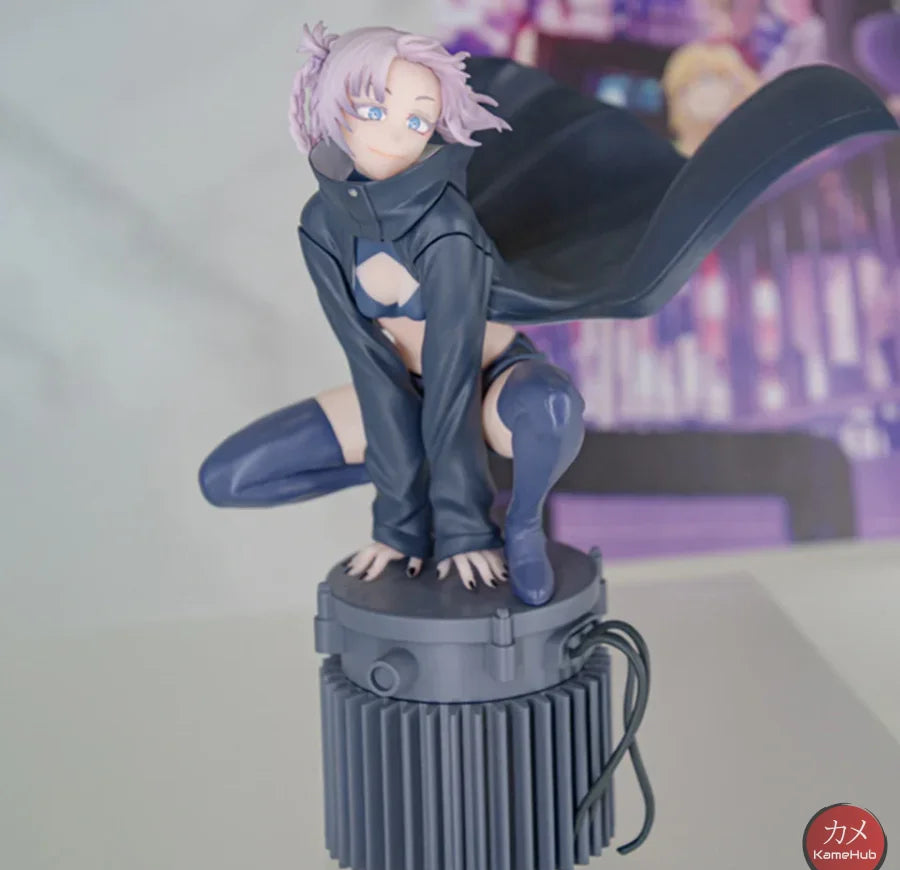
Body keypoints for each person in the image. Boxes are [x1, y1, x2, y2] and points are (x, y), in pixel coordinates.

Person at [199, 22, 898, 606]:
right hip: (402, 397)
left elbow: (453, 375)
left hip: (486, 385)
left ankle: (523, 527)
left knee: (551, 410)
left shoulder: (445, 227)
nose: (396, 134)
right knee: (231, 478)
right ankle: (420, 472)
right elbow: (368, 358)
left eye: (417, 119)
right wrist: (398, 513)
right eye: (376, 108)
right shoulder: (322, 224)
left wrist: (463, 530)